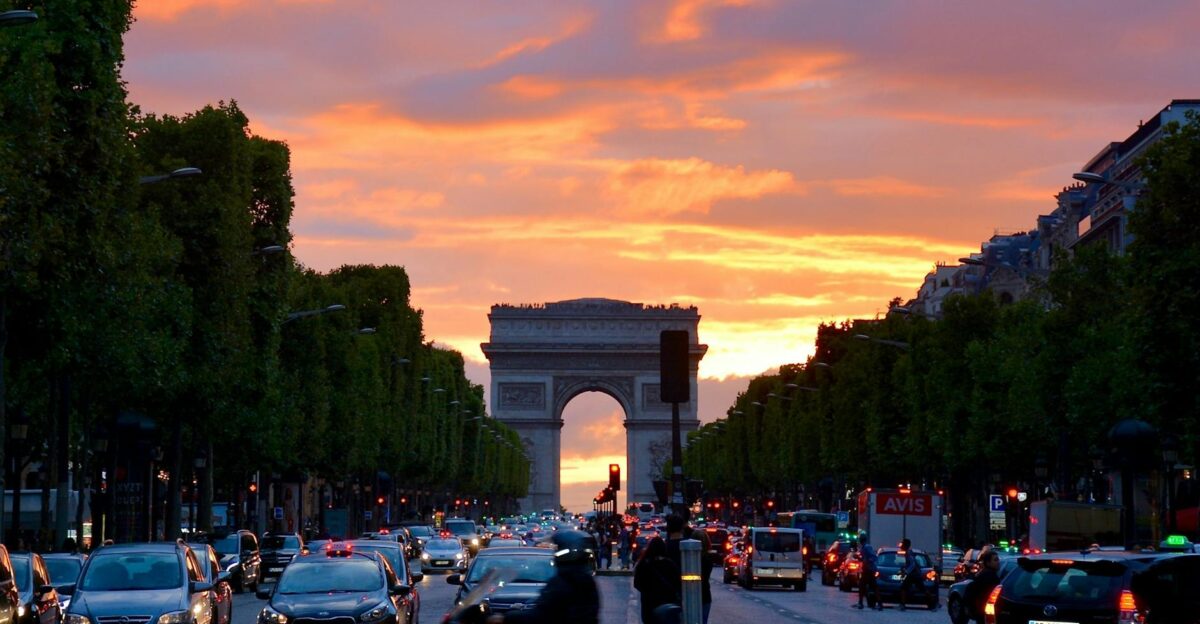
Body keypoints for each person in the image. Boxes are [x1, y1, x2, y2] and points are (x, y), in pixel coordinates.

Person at [488, 529, 600, 624]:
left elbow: (541, 614)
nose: (555, 552)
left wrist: (506, 618)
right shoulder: (583, 579)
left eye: (558, 549)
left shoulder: (565, 582)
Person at [634, 537, 680, 624]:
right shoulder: (670, 564)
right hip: (667, 602)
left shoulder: (644, 564)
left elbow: (637, 583)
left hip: (649, 604)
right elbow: (677, 583)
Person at [898, 538, 936, 611]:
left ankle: (902, 605)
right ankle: (933, 603)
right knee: (922, 589)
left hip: (913, 575)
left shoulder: (908, 553)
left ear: (906, 545)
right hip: (915, 574)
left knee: (903, 588)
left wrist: (906, 571)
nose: (901, 545)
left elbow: (913, 564)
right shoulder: (909, 552)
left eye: (902, 544)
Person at [965, 550, 1001, 623]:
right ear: (988, 563)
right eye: (995, 560)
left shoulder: (984, 574)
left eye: (998, 559)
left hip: (981, 612)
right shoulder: (989, 576)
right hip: (984, 611)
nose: (998, 562)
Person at [856, 531, 882, 610]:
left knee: (864, 586)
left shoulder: (867, 547)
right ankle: (878, 604)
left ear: (861, 540)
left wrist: (867, 561)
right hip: (867, 570)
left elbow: (873, 557)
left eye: (860, 539)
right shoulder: (863, 547)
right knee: (867, 586)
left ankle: (861, 603)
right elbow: (864, 559)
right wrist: (860, 558)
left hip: (869, 570)